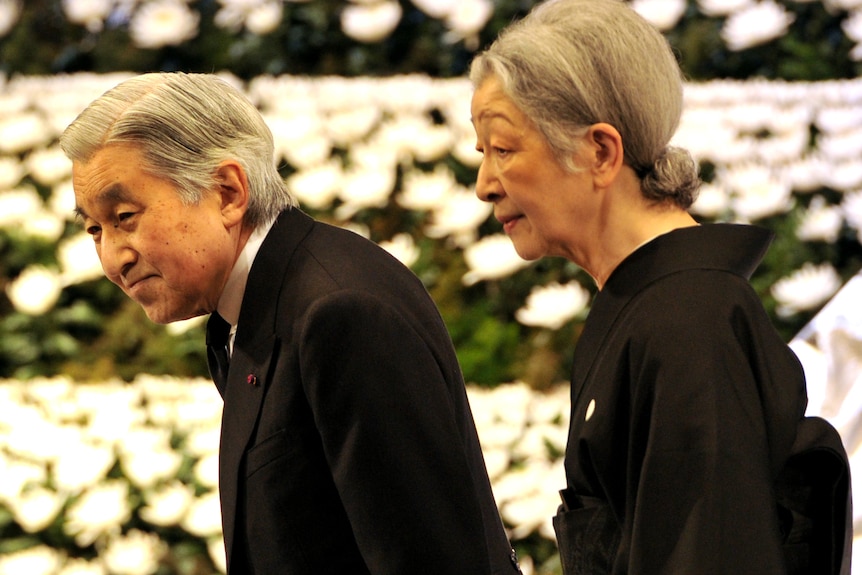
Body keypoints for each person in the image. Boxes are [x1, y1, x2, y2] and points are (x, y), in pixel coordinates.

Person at [60, 72, 521, 575]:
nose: (112, 260)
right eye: (93, 230)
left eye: (125, 217)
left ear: (227, 192)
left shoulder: (339, 312)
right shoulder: (244, 309)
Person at [469, 0, 851, 573]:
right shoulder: (654, 305)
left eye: (503, 149)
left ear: (599, 151)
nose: (484, 185)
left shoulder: (688, 323)